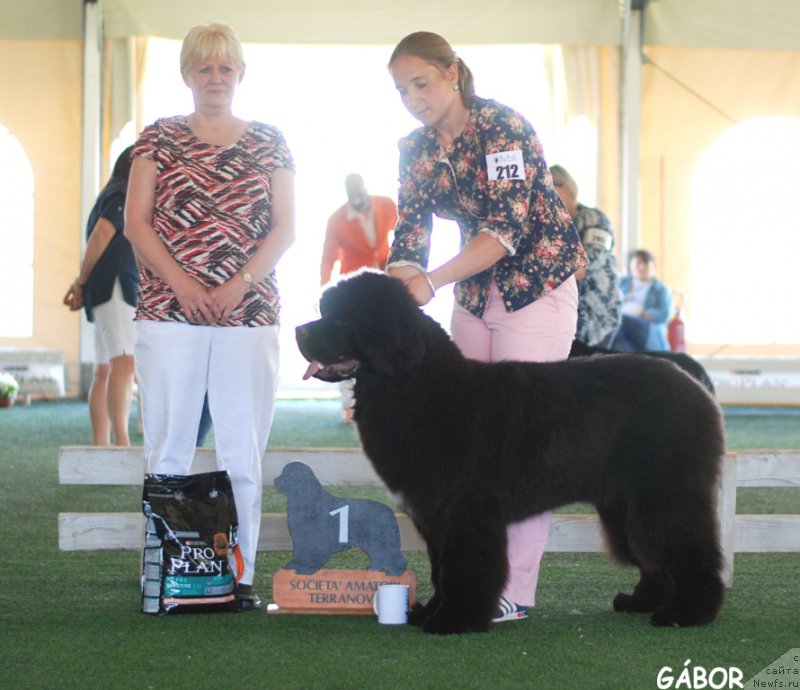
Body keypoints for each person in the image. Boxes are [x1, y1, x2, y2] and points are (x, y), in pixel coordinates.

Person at [386, 31, 586, 623]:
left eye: (421, 83)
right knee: (461, 444)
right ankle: (465, 584)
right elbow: (409, 233)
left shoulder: (504, 128)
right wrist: (396, 290)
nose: (413, 99)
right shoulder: (415, 148)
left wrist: (430, 281)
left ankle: (513, 593)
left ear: (453, 73)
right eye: (401, 90)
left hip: (535, 289)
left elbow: (504, 230)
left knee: (523, 447)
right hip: (473, 297)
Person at [124, 21, 295, 611]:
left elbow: (284, 229)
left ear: (240, 74)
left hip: (249, 316)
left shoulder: (270, 140)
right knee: (168, 447)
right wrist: (186, 286)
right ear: (187, 75)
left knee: (241, 453)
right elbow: (136, 223)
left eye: (225, 67)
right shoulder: (158, 138)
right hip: (168, 314)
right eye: (205, 67)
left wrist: (235, 286)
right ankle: (165, 574)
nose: (215, 77)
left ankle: (238, 577)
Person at [63, 146, 138, 446]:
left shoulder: (108, 194)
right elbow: (102, 235)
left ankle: (102, 445)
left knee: (104, 369)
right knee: (125, 362)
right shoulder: (124, 193)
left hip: (103, 286)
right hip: (116, 284)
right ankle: (122, 444)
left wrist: (82, 283)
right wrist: (80, 282)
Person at [320, 173, 398, 423]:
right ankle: (350, 405)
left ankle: (389, 400)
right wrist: (325, 294)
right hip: (353, 293)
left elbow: (405, 235)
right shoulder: (336, 220)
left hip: (386, 287)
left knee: (387, 344)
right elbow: (328, 259)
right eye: (352, 197)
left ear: (366, 189)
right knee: (350, 348)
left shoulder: (387, 205)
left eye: (360, 194)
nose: (357, 200)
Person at [550, 164, 622, 347]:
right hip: (567, 317)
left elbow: (589, 263)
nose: (549, 197)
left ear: (569, 189)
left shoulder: (593, 218)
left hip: (597, 317)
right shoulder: (552, 226)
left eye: (554, 187)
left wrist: (541, 274)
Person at [611, 249, 673, 351]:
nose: (642, 267)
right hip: (621, 327)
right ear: (631, 266)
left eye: (646, 263)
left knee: (621, 321)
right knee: (621, 344)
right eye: (638, 263)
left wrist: (647, 314)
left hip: (645, 327)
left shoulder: (661, 289)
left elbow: (665, 313)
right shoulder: (621, 283)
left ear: (653, 267)